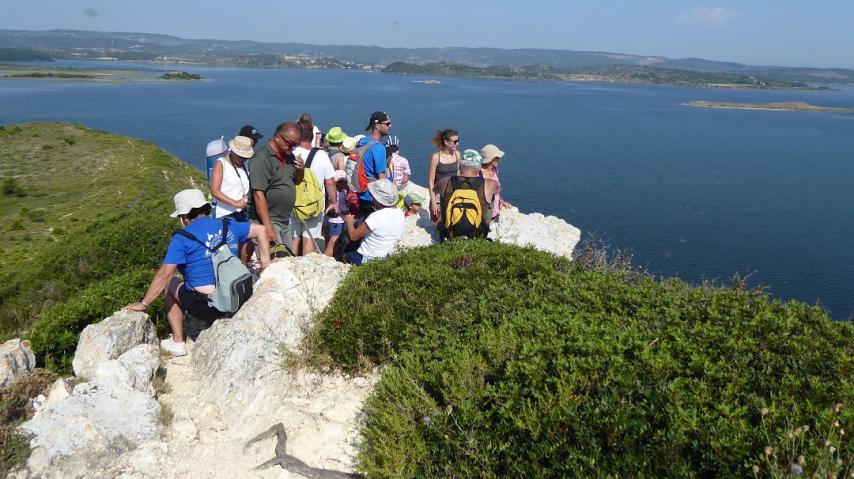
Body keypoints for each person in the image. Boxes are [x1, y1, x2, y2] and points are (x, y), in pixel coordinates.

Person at [124, 189, 271, 356]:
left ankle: (178, 342)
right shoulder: (226, 224)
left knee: (172, 284)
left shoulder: (181, 238)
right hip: (240, 296)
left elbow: (165, 274)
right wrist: (265, 267)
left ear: (185, 216)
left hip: (211, 307)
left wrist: (144, 304)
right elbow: (261, 230)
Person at [248, 122, 305, 252]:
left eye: (296, 145)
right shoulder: (261, 159)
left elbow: (296, 181)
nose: (293, 148)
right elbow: (258, 194)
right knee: (274, 262)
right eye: (291, 144)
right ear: (278, 138)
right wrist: (267, 226)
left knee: (288, 258)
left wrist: (301, 170)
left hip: (285, 220)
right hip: (269, 220)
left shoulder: (289, 156)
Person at [291, 125, 337, 255]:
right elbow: (330, 182)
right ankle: (305, 266)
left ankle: (290, 264)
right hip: (314, 204)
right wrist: (333, 202)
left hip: (294, 202)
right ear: (312, 139)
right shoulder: (321, 154)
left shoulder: (292, 153)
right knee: (309, 238)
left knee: (294, 238)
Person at [435, 149, 500, 240]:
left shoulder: (445, 182)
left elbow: (435, 189)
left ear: (460, 166)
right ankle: (485, 228)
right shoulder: (490, 184)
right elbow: (498, 190)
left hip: (450, 235)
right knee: (491, 197)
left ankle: (445, 225)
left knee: (442, 196)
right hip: (476, 235)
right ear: (479, 167)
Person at [343, 179, 404, 265]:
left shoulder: (376, 216)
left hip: (368, 258)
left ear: (378, 199)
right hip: (387, 257)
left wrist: (349, 221)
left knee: (345, 256)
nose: (372, 199)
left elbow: (353, 236)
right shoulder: (399, 212)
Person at [355, 111, 393, 218]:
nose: (390, 126)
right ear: (377, 125)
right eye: (387, 124)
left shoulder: (362, 141)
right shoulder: (379, 148)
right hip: (372, 197)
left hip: (359, 192)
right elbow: (382, 179)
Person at [210, 135, 251, 220]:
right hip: (224, 214)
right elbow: (214, 191)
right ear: (232, 151)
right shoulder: (220, 164)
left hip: (243, 212)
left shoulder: (246, 163)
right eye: (240, 156)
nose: (243, 159)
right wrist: (235, 203)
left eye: (245, 157)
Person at [427, 129, 460, 221]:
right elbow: (431, 181)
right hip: (438, 196)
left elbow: (458, 176)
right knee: (437, 225)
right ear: (446, 142)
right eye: (455, 141)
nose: (457, 144)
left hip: (453, 195)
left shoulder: (457, 155)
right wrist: (434, 202)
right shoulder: (436, 157)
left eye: (458, 141)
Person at [480, 143, 513, 221]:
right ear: (490, 158)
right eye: (497, 157)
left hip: (495, 212)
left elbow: (496, 192)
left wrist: (501, 201)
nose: (499, 159)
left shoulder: (494, 170)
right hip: (484, 215)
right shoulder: (479, 174)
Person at [324, 170, 349, 257]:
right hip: (335, 220)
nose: (344, 184)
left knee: (340, 238)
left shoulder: (344, 192)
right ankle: (330, 255)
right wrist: (341, 211)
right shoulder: (333, 194)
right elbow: (330, 208)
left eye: (345, 181)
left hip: (342, 220)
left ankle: (337, 254)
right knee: (333, 239)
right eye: (341, 182)